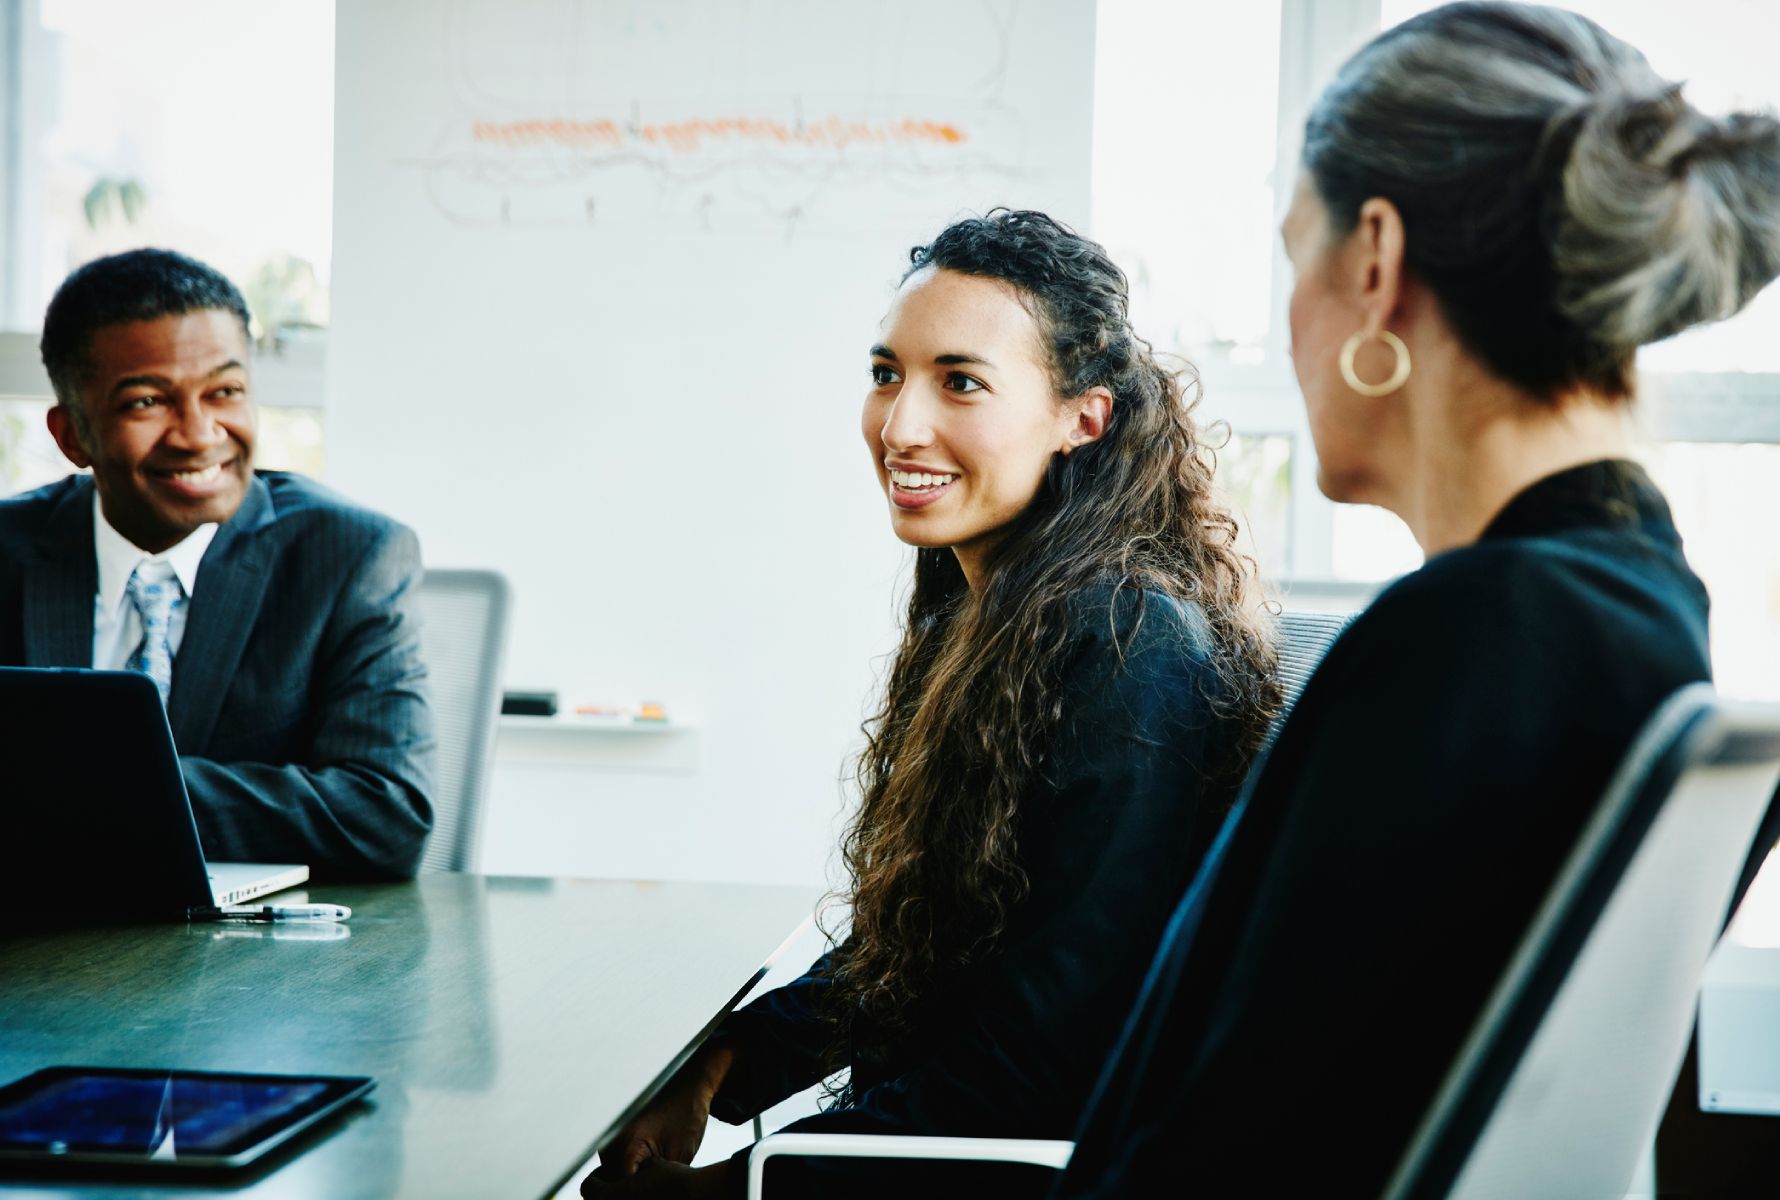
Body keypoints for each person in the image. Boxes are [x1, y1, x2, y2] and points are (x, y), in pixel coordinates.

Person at [1053, 4, 1780, 1196]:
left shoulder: (1474, 646)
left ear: (1376, 261)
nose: (1287, 323)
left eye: (1296, 255)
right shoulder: (1634, 602)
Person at [584, 211, 1280, 1199]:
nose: (900, 425)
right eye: (885, 373)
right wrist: (724, 1064)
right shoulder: (979, 602)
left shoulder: (1131, 642)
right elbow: (932, 943)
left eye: (961, 382)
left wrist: (743, 1187)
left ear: (1083, 415)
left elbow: (1045, 1055)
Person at [0, 248, 435, 879]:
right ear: (73, 437)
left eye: (224, 392)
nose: (200, 434)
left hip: (258, 962)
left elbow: (384, 815)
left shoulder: (350, 556)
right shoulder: (10, 550)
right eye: (148, 402)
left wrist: (90, 788)